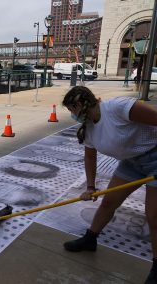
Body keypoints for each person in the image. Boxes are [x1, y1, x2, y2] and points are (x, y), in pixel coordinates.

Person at [61, 86, 157, 283]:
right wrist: (90, 187)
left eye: (72, 110)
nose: (72, 115)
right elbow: (90, 157)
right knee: (108, 202)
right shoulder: (89, 128)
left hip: (155, 157)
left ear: (80, 105)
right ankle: (90, 239)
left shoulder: (118, 108)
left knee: (154, 216)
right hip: (131, 162)